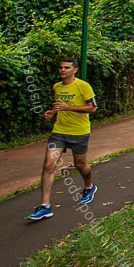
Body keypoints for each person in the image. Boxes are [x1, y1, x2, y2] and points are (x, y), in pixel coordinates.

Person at [28, 58, 98, 221]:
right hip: (59, 131)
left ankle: (89, 187)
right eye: (60, 67)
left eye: (67, 67)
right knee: (48, 164)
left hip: (79, 131)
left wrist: (68, 108)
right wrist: (52, 113)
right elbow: (59, 105)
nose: (62, 70)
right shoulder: (57, 87)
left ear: (74, 70)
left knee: (80, 164)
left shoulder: (83, 86)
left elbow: (93, 108)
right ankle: (45, 206)